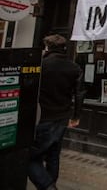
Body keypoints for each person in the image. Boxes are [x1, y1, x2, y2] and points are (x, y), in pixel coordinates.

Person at [28, 34, 85, 190]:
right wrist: (76, 116)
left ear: (48, 47)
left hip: (42, 117)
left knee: (30, 157)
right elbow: (79, 93)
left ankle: (48, 187)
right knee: (53, 155)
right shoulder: (74, 67)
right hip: (62, 117)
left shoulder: (40, 65)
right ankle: (50, 183)